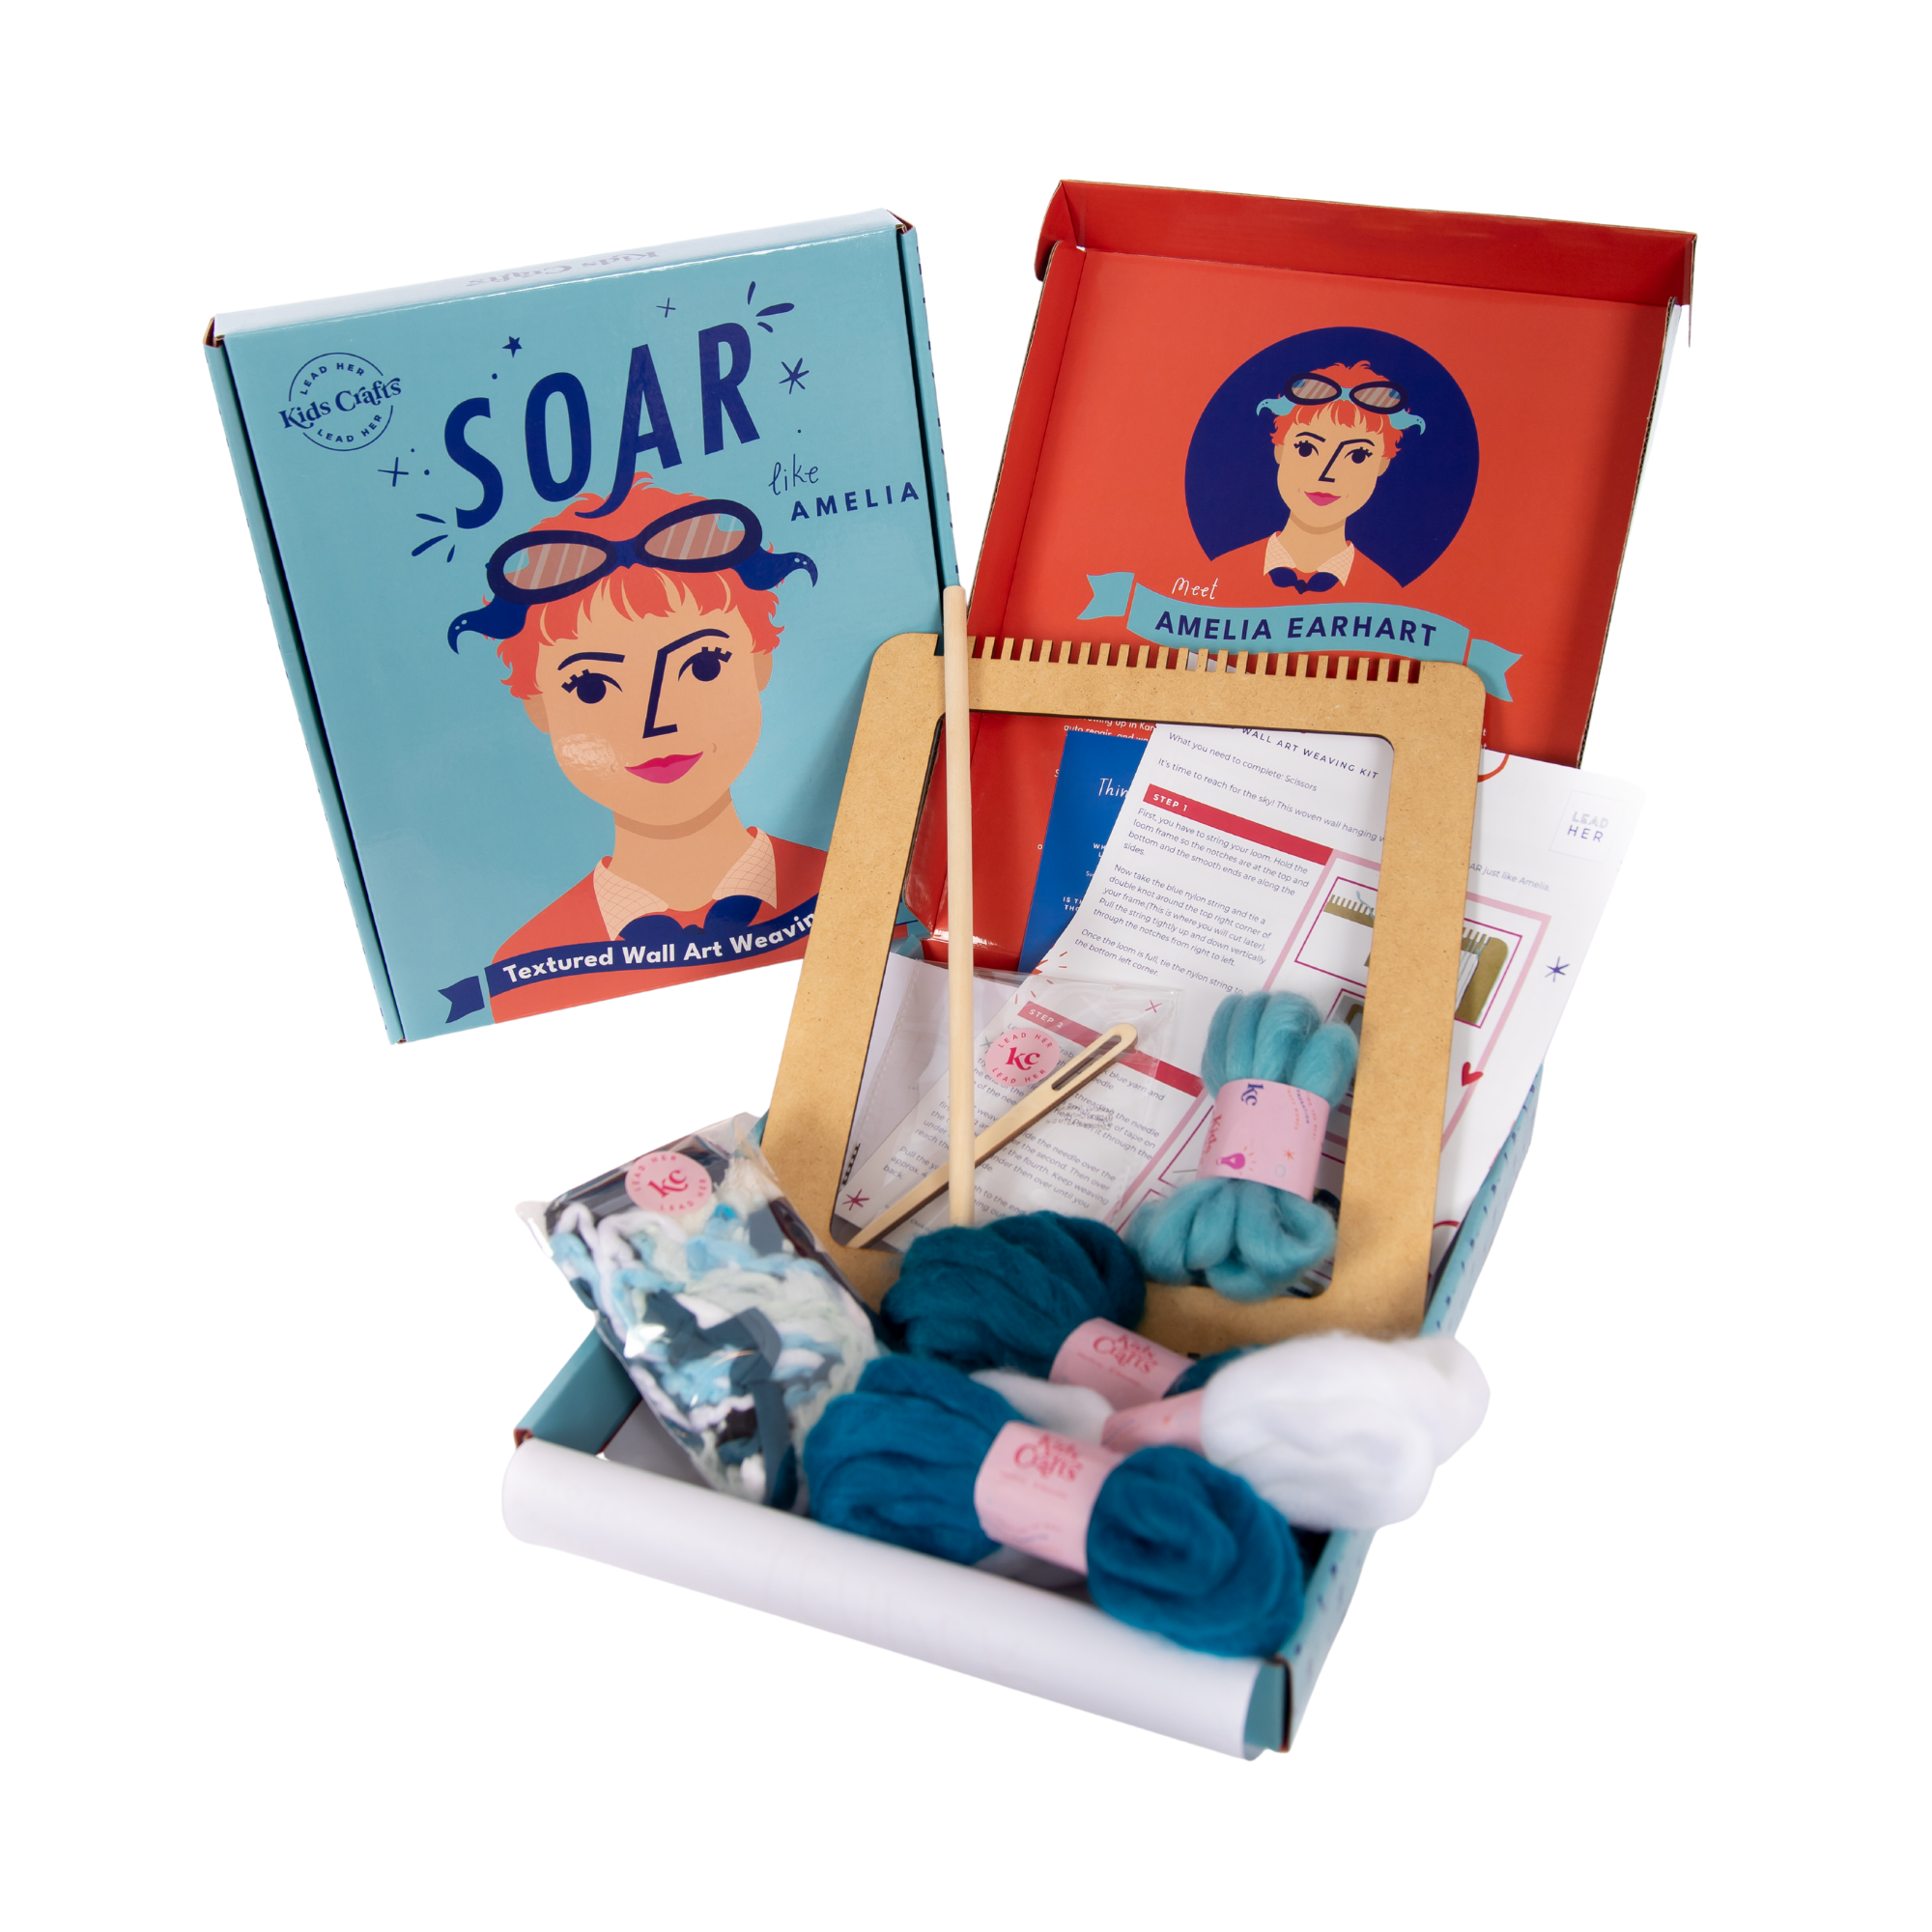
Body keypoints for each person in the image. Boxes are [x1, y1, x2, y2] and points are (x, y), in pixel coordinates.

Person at [447, 480, 823, 1021]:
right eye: (592, 686)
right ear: (538, 706)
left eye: (703, 664)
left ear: (760, 660)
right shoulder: (527, 966)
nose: (657, 724)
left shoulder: (869, 890)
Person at [1216, 361, 1427, 604]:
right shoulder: (1221, 571)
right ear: (1280, 449)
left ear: (1382, 464)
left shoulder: (1389, 594)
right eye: (1306, 448)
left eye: (1358, 455)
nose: (1327, 474)